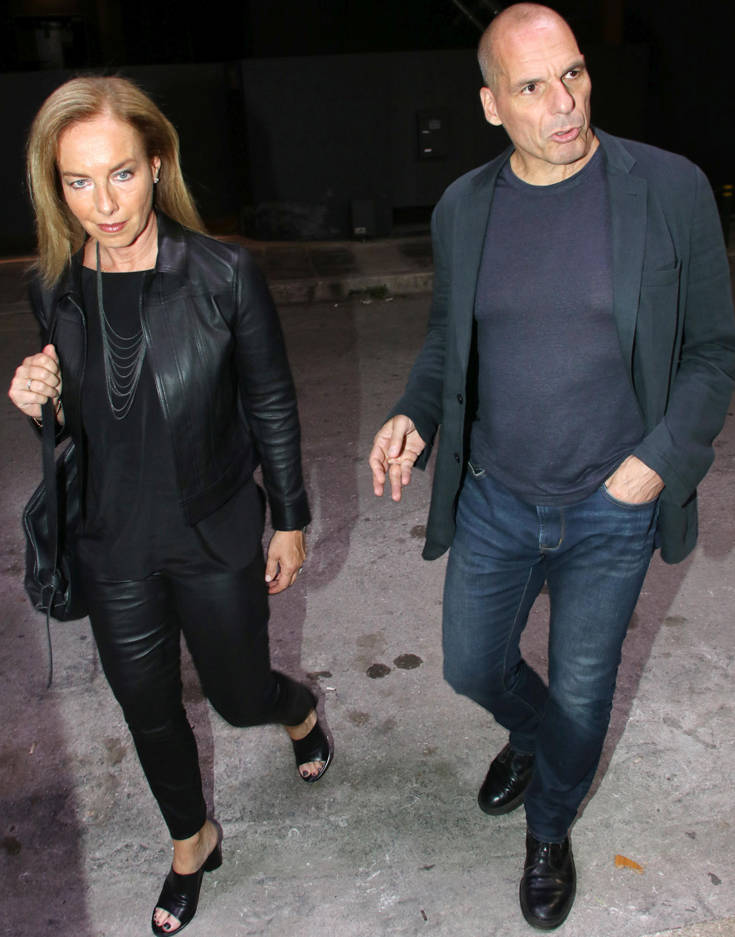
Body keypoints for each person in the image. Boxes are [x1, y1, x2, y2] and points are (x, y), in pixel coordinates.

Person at [369, 3, 735, 930]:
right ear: (491, 105)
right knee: (469, 666)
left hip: (613, 505)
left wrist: (656, 463)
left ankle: (549, 825)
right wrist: (414, 413)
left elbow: (712, 352)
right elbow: (447, 341)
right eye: (531, 87)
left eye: (571, 73)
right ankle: (535, 738)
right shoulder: (463, 208)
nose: (563, 102)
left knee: (581, 690)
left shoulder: (670, 188)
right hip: (494, 496)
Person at [8, 76, 333, 936]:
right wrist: (39, 398)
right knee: (147, 709)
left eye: (120, 173)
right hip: (110, 540)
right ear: (55, 186)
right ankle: (193, 841)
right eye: (78, 182)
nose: (103, 204)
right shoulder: (53, 285)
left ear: (156, 163)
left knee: (237, 696)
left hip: (212, 528)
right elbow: (82, 414)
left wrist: (289, 518)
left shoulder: (222, 273)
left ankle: (297, 709)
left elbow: (270, 400)